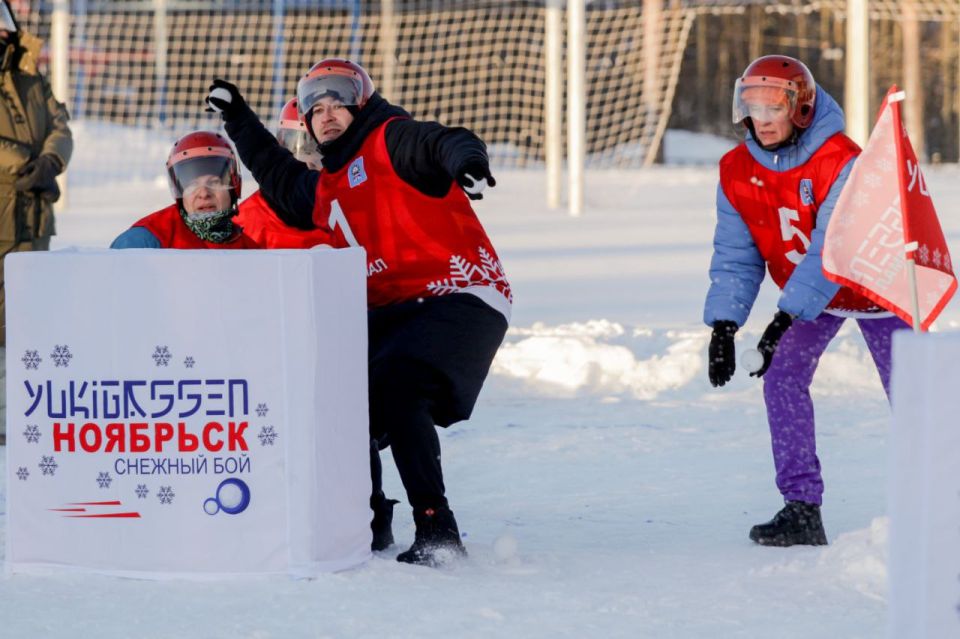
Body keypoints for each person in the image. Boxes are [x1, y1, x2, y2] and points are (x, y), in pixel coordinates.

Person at [205, 59, 510, 566]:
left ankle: (437, 530)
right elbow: (275, 171)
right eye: (315, 109)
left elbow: (442, 141)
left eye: (337, 103)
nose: (326, 115)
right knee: (338, 390)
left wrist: (466, 161)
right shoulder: (325, 186)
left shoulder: (390, 139)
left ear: (361, 104)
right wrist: (237, 116)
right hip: (397, 308)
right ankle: (368, 521)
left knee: (400, 385)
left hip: (460, 293)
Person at [704, 54, 908, 547]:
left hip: (874, 284)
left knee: (914, 393)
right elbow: (735, 255)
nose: (761, 119)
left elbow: (829, 249)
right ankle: (801, 508)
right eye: (752, 106)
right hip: (814, 297)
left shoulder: (842, 160)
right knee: (782, 376)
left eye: (773, 106)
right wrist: (724, 325)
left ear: (800, 107)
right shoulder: (736, 171)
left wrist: (782, 319)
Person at [0, 0, 72, 446]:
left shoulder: (31, 78)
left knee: (25, 323)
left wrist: (50, 161)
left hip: (33, 221)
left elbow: (61, 125)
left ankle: (21, 417)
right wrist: (25, 164)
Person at [111, 130, 257, 249]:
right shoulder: (145, 240)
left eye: (214, 182)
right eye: (192, 185)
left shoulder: (248, 250)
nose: (204, 194)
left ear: (234, 188)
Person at [235, 98, 332, 249]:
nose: (307, 163)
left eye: (316, 151)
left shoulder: (348, 212)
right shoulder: (243, 226)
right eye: (293, 148)